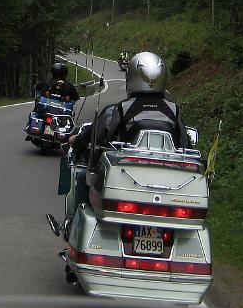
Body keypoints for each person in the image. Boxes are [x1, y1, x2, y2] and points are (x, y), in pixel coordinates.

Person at [66, 52, 188, 212]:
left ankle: (73, 222)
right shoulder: (174, 111)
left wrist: (78, 143)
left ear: (132, 77)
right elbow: (185, 147)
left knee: (83, 178)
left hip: (123, 181)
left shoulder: (118, 111)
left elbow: (98, 137)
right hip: (168, 184)